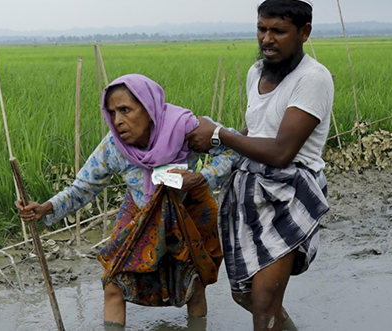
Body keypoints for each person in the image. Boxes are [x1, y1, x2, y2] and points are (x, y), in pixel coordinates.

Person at [15, 74, 240, 328]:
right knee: (113, 284)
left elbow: (231, 148)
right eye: (111, 112)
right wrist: (46, 208)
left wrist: (201, 178)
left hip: (185, 214)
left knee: (193, 286)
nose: (117, 121)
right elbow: (82, 187)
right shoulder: (114, 146)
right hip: (139, 216)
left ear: (149, 109)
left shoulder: (185, 128)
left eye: (125, 110)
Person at [186, 1, 334, 330]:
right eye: (261, 29)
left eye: (278, 31)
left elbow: (282, 151)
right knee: (246, 296)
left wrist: (218, 133)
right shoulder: (257, 72)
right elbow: (256, 132)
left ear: (304, 33)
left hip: (289, 191)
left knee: (265, 304)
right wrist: (213, 140)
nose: (267, 39)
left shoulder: (313, 79)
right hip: (249, 189)